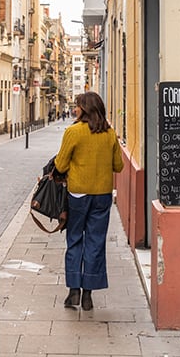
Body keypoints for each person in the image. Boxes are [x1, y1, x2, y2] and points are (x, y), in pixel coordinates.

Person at [53, 91, 124, 311]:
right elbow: (119, 166)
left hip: (78, 194)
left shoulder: (73, 132)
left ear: (85, 109)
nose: (75, 109)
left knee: (75, 239)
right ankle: (88, 295)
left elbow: (61, 165)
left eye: (77, 106)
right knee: (95, 241)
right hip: (102, 195)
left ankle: (73, 289)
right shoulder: (109, 134)